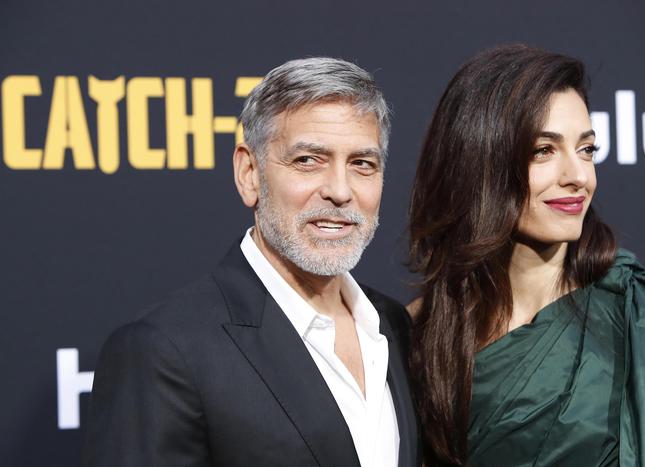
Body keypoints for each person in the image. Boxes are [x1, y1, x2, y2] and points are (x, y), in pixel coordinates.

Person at [84, 57, 419, 467]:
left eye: (362, 164)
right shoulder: (165, 351)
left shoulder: (395, 327)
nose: (339, 191)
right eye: (307, 160)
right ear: (249, 173)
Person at [407, 44, 645, 466]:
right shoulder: (418, 332)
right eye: (543, 151)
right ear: (481, 161)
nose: (578, 176)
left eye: (586, 149)